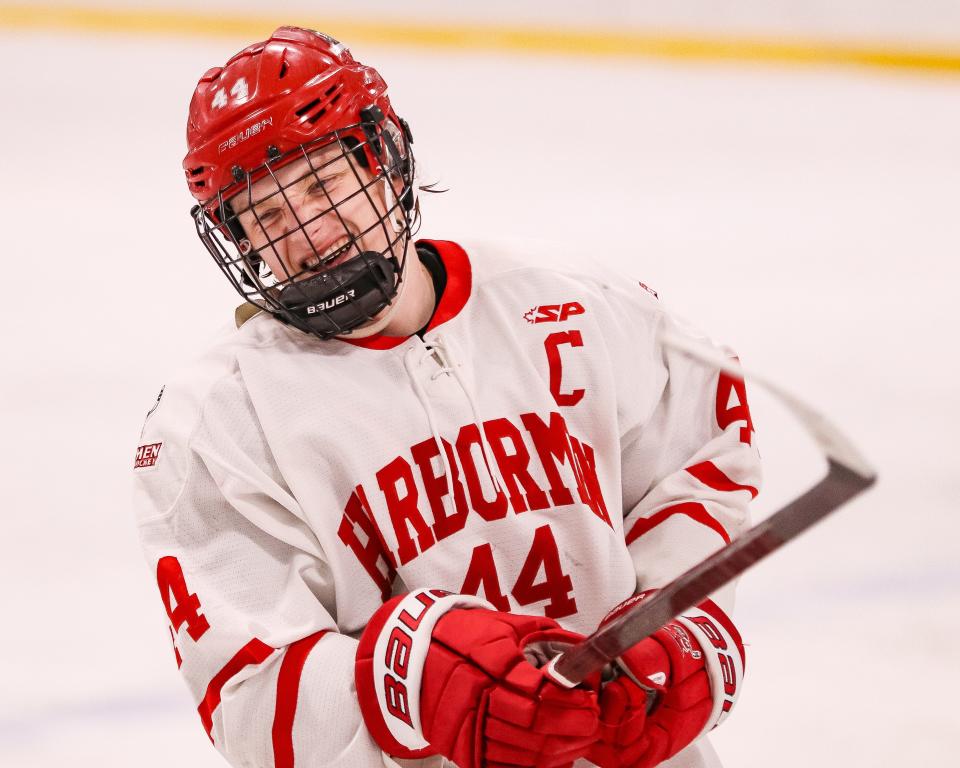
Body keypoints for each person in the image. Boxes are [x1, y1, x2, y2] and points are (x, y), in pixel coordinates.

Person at [133, 26, 761, 768]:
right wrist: (415, 679)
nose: (309, 235)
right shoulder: (215, 425)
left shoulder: (576, 302)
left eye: (321, 183)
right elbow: (252, 700)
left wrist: (679, 628)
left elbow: (702, 458)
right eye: (265, 216)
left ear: (384, 161)